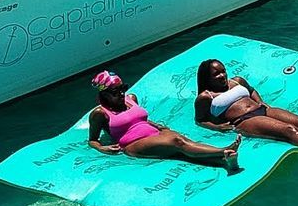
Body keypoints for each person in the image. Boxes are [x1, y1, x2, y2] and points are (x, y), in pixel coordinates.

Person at [194, 58, 298, 156]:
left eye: (223, 71)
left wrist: (261, 102)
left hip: (263, 109)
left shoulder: (237, 80)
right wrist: (217, 127)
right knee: (289, 130)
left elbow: (251, 90)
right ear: (207, 78)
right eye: (216, 74)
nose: (222, 75)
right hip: (244, 120)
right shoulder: (205, 97)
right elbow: (200, 120)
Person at [88, 72, 242, 170]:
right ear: (105, 94)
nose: (122, 93)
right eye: (116, 91)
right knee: (178, 143)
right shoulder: (100, 113)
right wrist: (102, 148)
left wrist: (156, 126)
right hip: (132, 144)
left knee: (183, 144)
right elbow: (92, 140)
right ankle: (224, 150)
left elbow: (140, 119)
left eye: (123, 88)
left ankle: (224, 160)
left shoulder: (131, 99)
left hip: (154, 133)